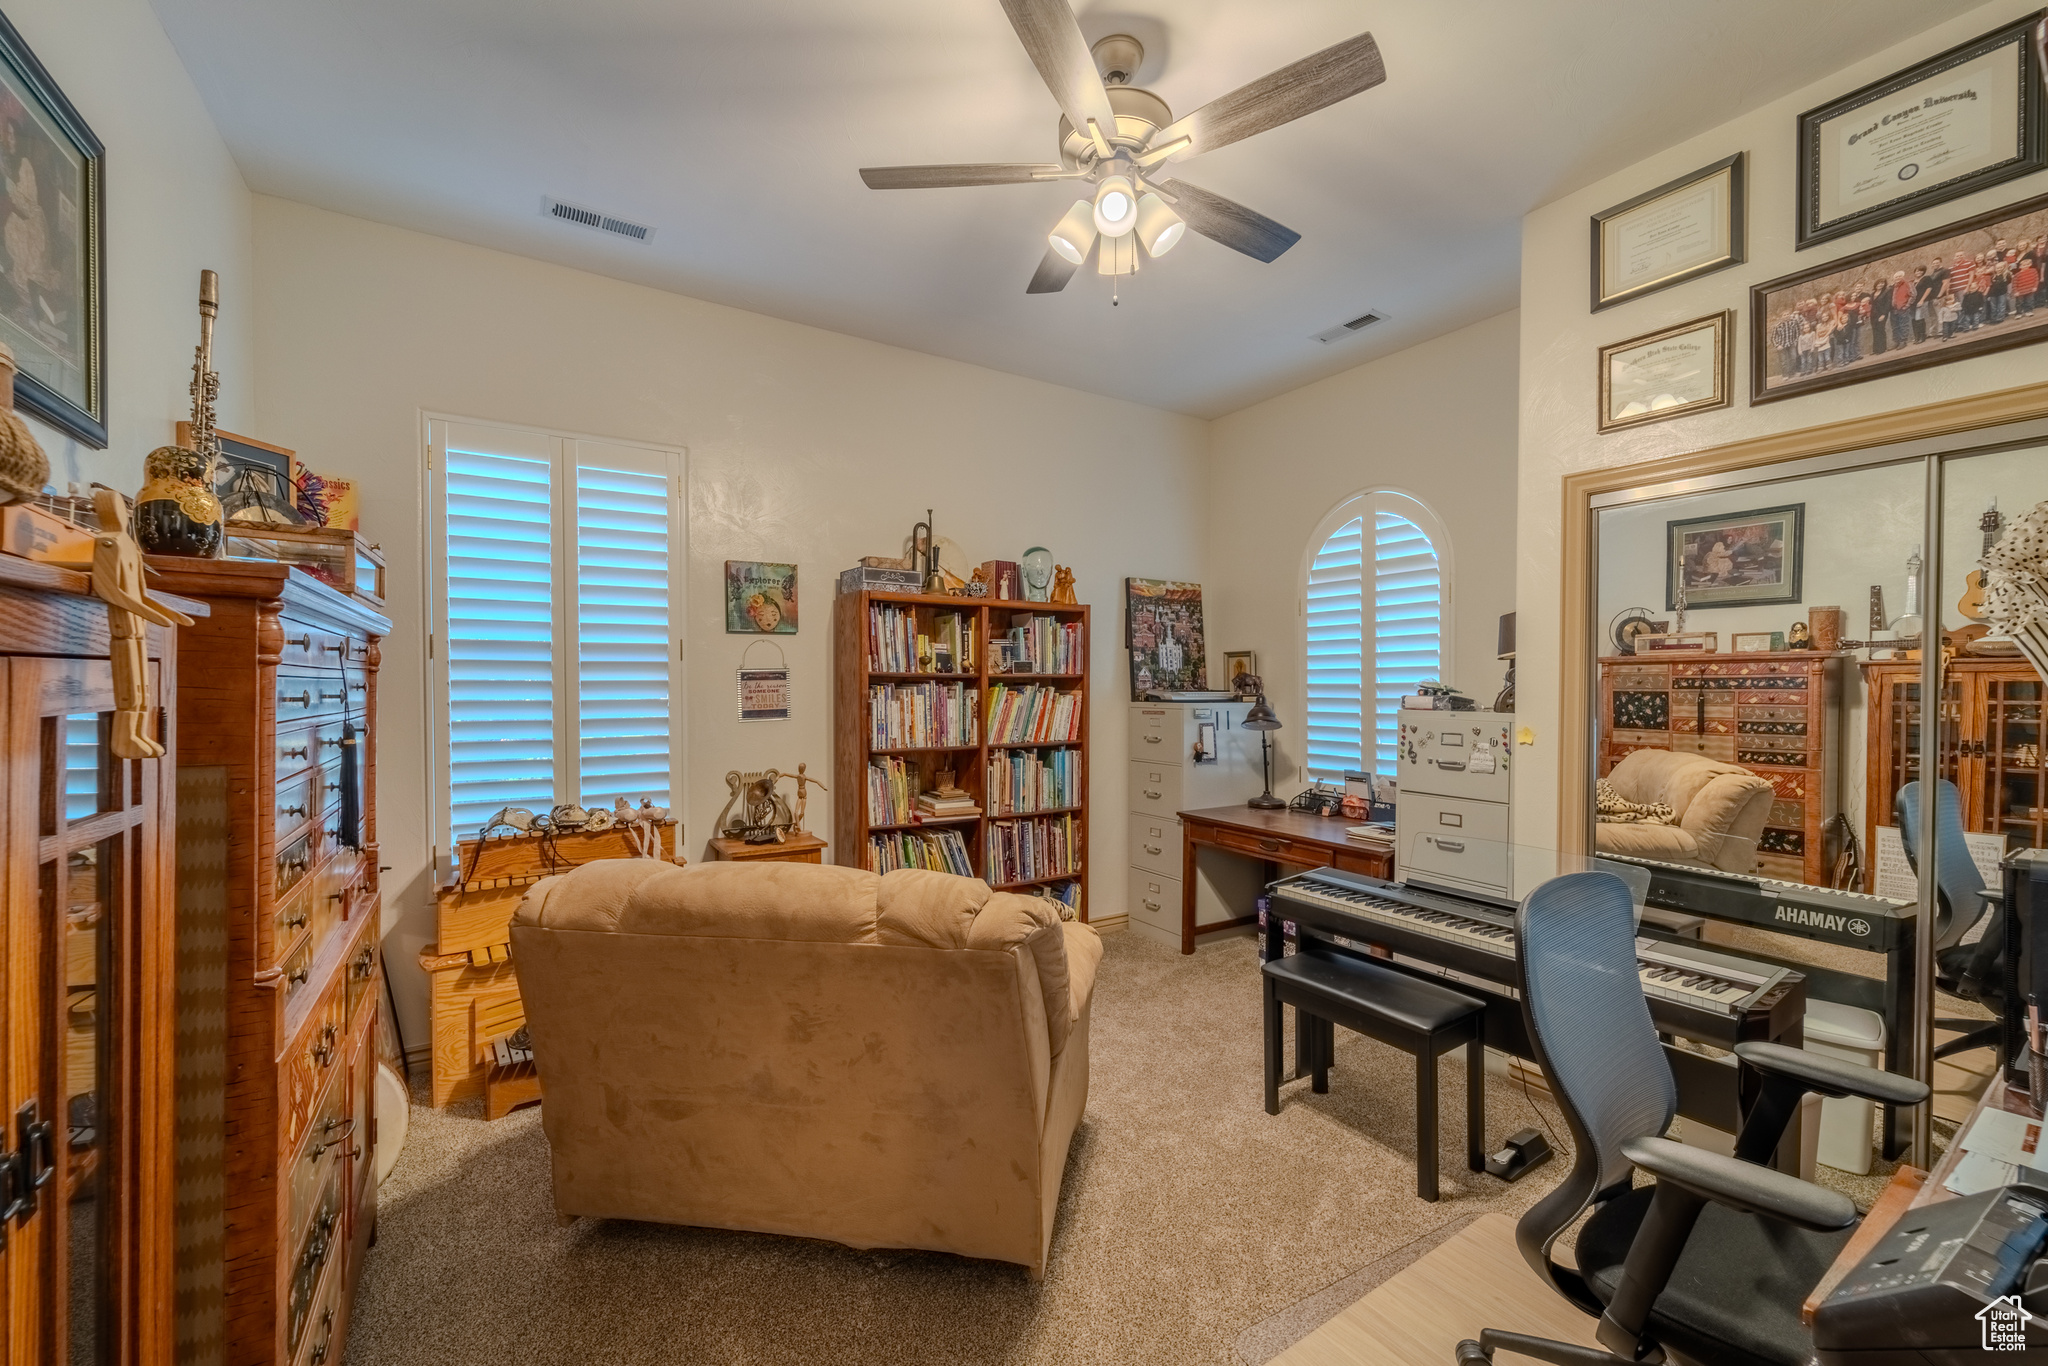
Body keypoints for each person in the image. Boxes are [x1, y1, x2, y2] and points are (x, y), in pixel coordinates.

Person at [1771, 308, 1802, 380]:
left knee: (1793, 358)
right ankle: (1785, 375)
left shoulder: (1794, 322)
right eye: (1784, 315)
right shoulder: (1777, 326)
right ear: (1781, 317)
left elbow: (1797, 333)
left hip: (1791, 343)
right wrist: (1777, 345)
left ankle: (1792, 373)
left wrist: (1795, 342)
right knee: (1784, 361)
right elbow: (1773, 337)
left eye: (1788, 314)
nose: (1786, 316)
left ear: (1790, 315)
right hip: (1781, 345)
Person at [1890, 270, 1913, 349]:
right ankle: (1897, 341)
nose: (1898, 278)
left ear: (1903, 276)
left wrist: (1907, 305)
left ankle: (1903, 341)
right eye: (1896, 277)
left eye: (1899, 276)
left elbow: (1913, 295)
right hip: (1895, 309)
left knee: (1904, 325)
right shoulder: (1894, 286)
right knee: (1895, 326)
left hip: (1903, 307)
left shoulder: (1907, 284)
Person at [2015, 253, 2040, 319]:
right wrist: (2016, 291)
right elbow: (2014, 283)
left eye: (2027, 264)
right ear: (2020, 266)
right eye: (2024, 265)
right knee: (2019, 302)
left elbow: (2036, 279)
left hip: (2030, 289)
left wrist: (2035, 287)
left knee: (2029, 301)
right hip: (2020, 291)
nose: (2025, 266)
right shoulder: (2017, 275)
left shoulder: (2033, 271)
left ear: (2030, 264)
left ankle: (2028, 311)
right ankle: (2019, 313)